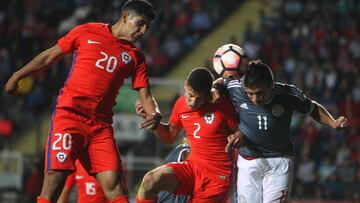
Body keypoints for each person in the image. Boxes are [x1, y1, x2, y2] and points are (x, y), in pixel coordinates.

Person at [4, 0, 162, 202]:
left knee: (116, 187)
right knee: (54, 180)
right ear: (125, 17)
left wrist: (155, 113)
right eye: (140, 23)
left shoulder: (135, 57)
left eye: (147, 27)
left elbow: (146, 96)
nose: (143, 30)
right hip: (69, 118)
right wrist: (18, 75)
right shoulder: (87, 31)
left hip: (100, 127)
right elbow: (49, 56)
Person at [216, 60, 348, 202]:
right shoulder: (236, 88)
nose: (255, 98)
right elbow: (218, 84)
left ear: (271, 85)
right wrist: (215, 89)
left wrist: (332, 123)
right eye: (250, 94)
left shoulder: (288, 94)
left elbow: (313, 108)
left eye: (260, 93)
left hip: (279, 160)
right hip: (248, 160)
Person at [135, 67, 241, 203]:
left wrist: (238, 136)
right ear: (185, 85)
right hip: (192, 168)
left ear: (208, 94)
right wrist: (154, 124)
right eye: (190, 95)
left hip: (217, 178)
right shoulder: (180, 105)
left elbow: (243, 131)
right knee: (151, 180)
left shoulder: (222, 106)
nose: (193, 102)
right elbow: (169, 136)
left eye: (199, 98)